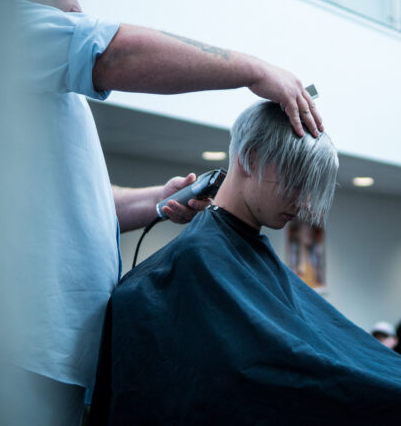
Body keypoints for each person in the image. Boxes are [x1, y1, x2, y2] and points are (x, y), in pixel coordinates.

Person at [11, 0, 323, 425]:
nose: (77, 8)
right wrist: (252, 69)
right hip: (21, 351)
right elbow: (112, 51)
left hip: (56, 355)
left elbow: (79, 208)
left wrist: (159, 198)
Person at [89, 101, 401, 425]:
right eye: (296, 182)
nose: (305, 201)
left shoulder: (233, 253)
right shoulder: (194, 262)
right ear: (251, 158)